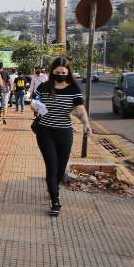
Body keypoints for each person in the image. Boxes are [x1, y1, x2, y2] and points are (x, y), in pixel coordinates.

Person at [32, 57, 91, 216]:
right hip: (45, 132)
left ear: (68, 73)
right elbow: (34, 100)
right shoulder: (44, 87)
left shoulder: (74, 88)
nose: (60, 75)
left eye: (64, 73)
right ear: (52, 72)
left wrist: (86, 123)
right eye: (57, 72)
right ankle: (55, 199)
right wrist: (36, 105)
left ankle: (53, 187)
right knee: (52, 165)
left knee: (60, 167)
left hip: (64, 133)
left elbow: (79, 109)